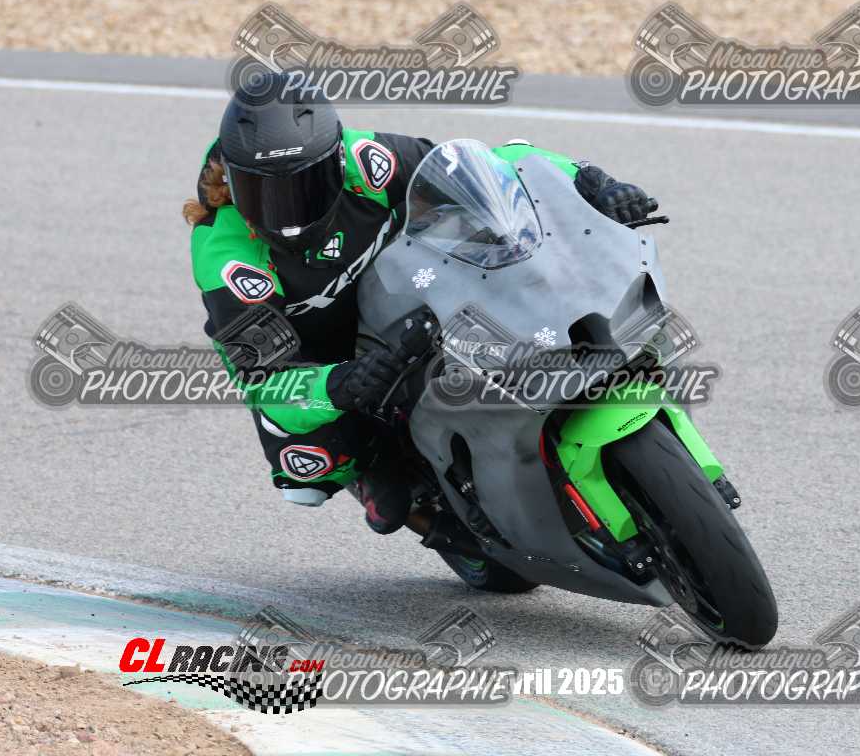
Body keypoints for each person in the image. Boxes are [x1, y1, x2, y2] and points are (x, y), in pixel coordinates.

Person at [184, 74, 657, 534]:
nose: (286, 214)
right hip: (319, 354)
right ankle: (383, 481)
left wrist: (591, 184)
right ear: (232, 181)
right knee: (316, 465)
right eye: (263, 193)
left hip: (409, 292)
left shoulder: (368, 162)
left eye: (303, 187)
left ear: (335, 161)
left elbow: (492, 168)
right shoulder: (225, 259)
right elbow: (265, 381)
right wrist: (344, 383)